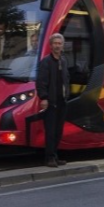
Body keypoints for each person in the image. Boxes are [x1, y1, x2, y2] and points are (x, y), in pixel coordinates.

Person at [36, 33, 71, 168]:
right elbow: (41, 82)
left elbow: (66, 80)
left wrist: (66, 95)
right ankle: (49, 158)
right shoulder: (46, 62)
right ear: (51, 46)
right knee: (50, 131)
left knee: (58, 131)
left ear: (62, 46)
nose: (57, 46)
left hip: (62, 101)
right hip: (51, 102)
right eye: (55, 43)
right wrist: (43, 98)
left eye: (59, 43)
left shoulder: (63, 61)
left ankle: (55, 156)